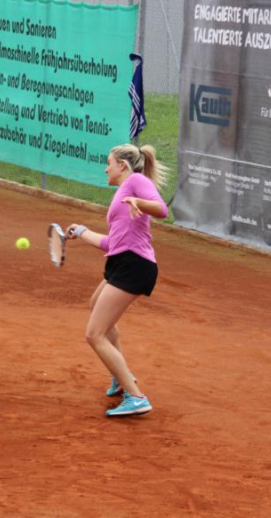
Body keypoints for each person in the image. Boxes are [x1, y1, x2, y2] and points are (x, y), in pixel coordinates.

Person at [66, 144, 169, 417]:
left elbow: (161, 209)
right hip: (121, 261)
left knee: (94, 334)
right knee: (95, 304)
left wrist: (139, 202)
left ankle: (136, 397)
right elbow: (112, 242)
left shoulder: (135, 181)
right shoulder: (122, 193)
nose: (105, 168)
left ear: (122, 165)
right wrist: (82, 231)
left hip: (135, 265)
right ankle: (120, 375)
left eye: (109, 163)